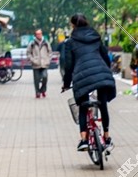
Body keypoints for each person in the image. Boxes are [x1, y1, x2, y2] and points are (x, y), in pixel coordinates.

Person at [61, 14, 115, 152]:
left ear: (73, 25)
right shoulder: (96, 37)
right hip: (101, 73)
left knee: (83, 106)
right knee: (103, 105)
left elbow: (68, 66)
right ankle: (107, 137)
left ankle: (84, 140)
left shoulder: (71, 42)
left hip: (82, 76)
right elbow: (105, 57)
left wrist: (66, 84)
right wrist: (106, 72)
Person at [29, 29, 53, 99]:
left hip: (44, 63)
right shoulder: (32, 43)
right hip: (36, 64)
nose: (39, 35)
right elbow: (28, 53)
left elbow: (50, 52)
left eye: (40, 34)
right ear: (35, 35)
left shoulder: (46, 42)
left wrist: (48, 60)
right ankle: (37, 92)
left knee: (45, 77)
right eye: (37, 34)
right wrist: (32, 60)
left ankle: (43, 90)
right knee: (36, 80)